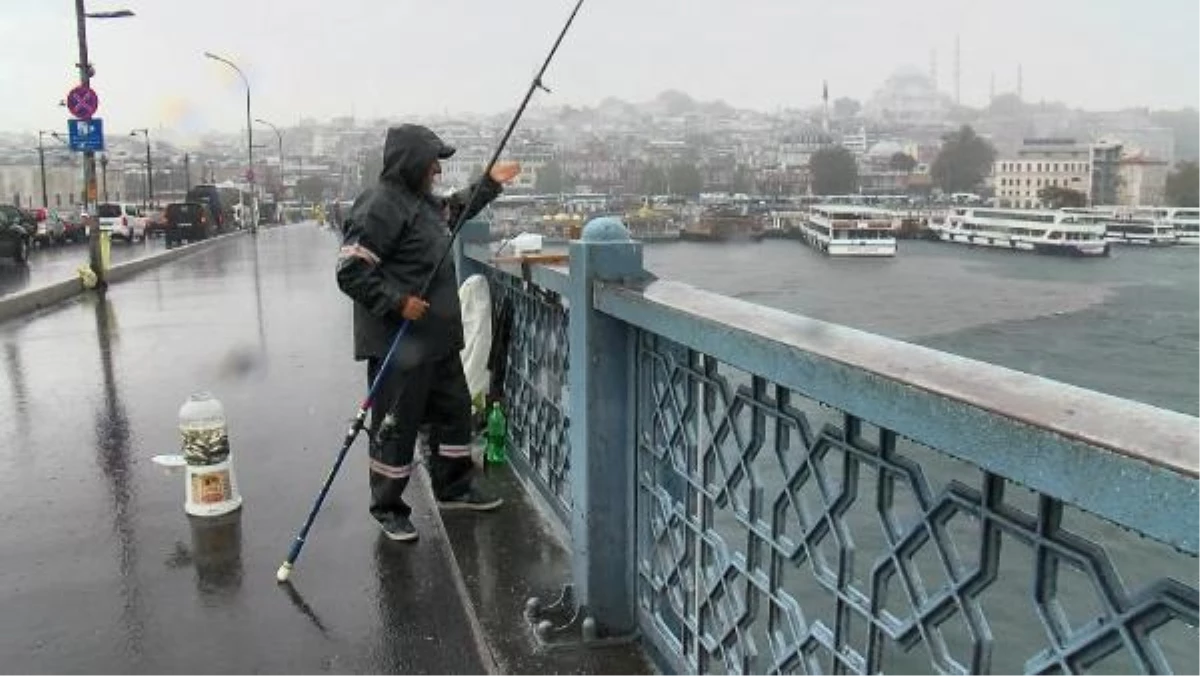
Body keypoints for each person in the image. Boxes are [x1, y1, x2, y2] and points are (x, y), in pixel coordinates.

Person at [336, 124, 520, 542]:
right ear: (412, 162)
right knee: (396, 426)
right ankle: (388, 507)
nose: (437, 169)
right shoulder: (379, 206)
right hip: (399, 343)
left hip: (437, 340)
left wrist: (489, 183)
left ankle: (454, 486)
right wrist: (399, 302)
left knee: (454, 414)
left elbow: (456, 209)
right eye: (433, 160)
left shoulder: (420, 204)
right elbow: (350, 272)